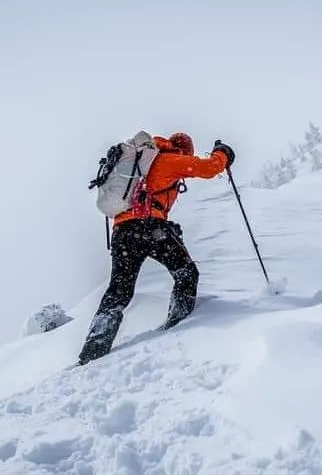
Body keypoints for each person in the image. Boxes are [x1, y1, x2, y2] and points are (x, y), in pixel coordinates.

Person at [78, 132, 235, 365]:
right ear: (184, 150)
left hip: (123, 233)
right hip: (150, 228)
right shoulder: (170, 160)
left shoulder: (143, 163)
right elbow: (210, 168)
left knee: (119, 291)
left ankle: (94, 348)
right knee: (186, 272)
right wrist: (224, 153)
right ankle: (180, 323)